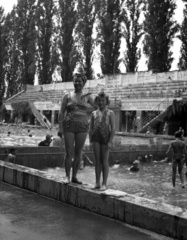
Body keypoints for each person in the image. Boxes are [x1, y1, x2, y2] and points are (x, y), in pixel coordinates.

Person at [58, 68, 95, 184]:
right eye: (75, 81)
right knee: (69, 152)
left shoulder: (88, 97)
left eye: (79, 81)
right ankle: (67, 176)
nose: (77, 83)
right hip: (69, 126)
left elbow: (97, 108)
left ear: (83, 83)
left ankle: (74, 176)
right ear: (73, 82)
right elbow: (61, 112)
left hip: (83, 127)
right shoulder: (67, 96)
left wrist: (88, 111)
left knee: (78, 152)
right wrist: (60, 128)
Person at [89, 92, 115, 191]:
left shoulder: (110, 113)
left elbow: (113, 128)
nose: (101, 102)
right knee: (97, 161)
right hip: (96, 137)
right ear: (96, 102)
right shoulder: (93, 113)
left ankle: (104, 183)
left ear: (106, 101)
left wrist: (110, 141)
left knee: (104, 160)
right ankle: (97, 183)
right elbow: (91, 128)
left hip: (105, 137)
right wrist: (90, 139)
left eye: (103, 100)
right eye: (99, 100)